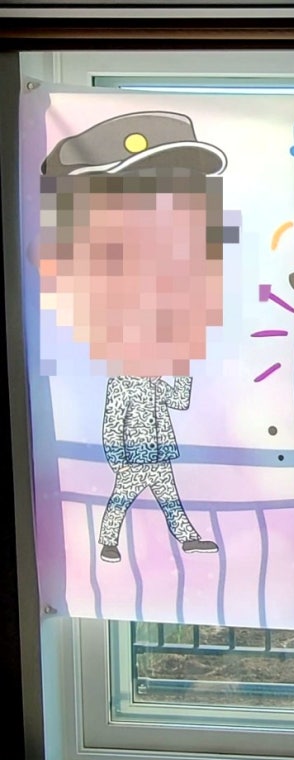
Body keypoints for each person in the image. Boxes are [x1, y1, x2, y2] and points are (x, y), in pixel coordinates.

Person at [39, 111, 231, 563]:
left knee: (161, 494)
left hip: (157, 449)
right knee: (133, 494)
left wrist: (183, 370)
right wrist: (116, 455)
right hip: (135, 453)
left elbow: (176, 400)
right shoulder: (109, 346)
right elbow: (113, 416)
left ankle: (169, 540)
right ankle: (115, 542)